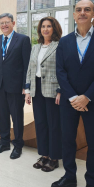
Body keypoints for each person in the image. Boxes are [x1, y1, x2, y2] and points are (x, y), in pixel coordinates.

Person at [51, 0, 94, 187]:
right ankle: (70, 176)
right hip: (70, 101)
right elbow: (60, 71)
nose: (82, 13)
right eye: (78, 10)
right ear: (73, 15)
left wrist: (86, 97)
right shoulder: (65, 41)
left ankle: (91, 183)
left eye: (87, 9)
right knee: (67, 140)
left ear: (93, 13)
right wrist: (72, 97)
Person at [0, 13, 31, 159]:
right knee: (2, 115)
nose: (4, 25)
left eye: (7, 22)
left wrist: (25, 86)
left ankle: (18, 145)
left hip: (16, 86)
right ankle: (4, 142)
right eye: (1, 23)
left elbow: (27, 65)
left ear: (13, 23)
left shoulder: (23, 39)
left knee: (17, 116)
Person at [25, 17, 63, 172]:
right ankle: (44, 155)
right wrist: (27, 90)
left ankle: (54, 157)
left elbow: (64, 69)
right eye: (43, 26)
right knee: (40, 123)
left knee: (53, 124)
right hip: (36, 88)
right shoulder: (35, 47)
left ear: (54, 28)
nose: (45, 29)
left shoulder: (60, 46)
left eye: (49, 26)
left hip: (53, 89)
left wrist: (61, 90)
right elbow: (30, 69)